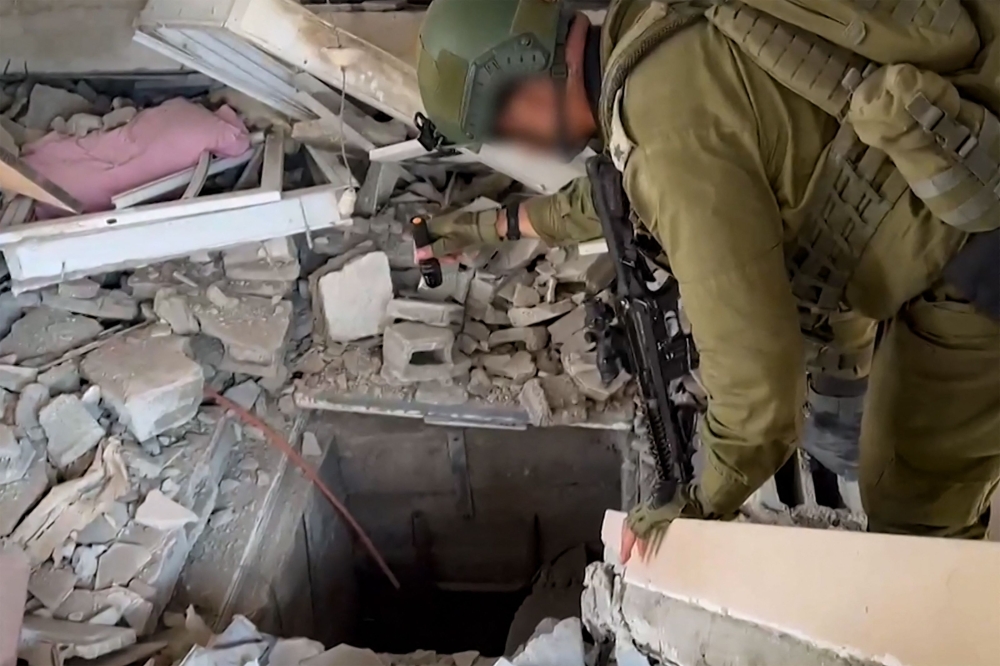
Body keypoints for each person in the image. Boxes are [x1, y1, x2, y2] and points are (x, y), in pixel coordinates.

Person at [413, 0, 1000, 551]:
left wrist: (699, 504)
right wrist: (493, 227)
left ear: (522, 87)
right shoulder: (645, 33)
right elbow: (616, 197)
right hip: (934, 187)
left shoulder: (665, 137)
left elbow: (759, 393)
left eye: (507, 131)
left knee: (915, 512)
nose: (524, 147)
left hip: (973, 248)